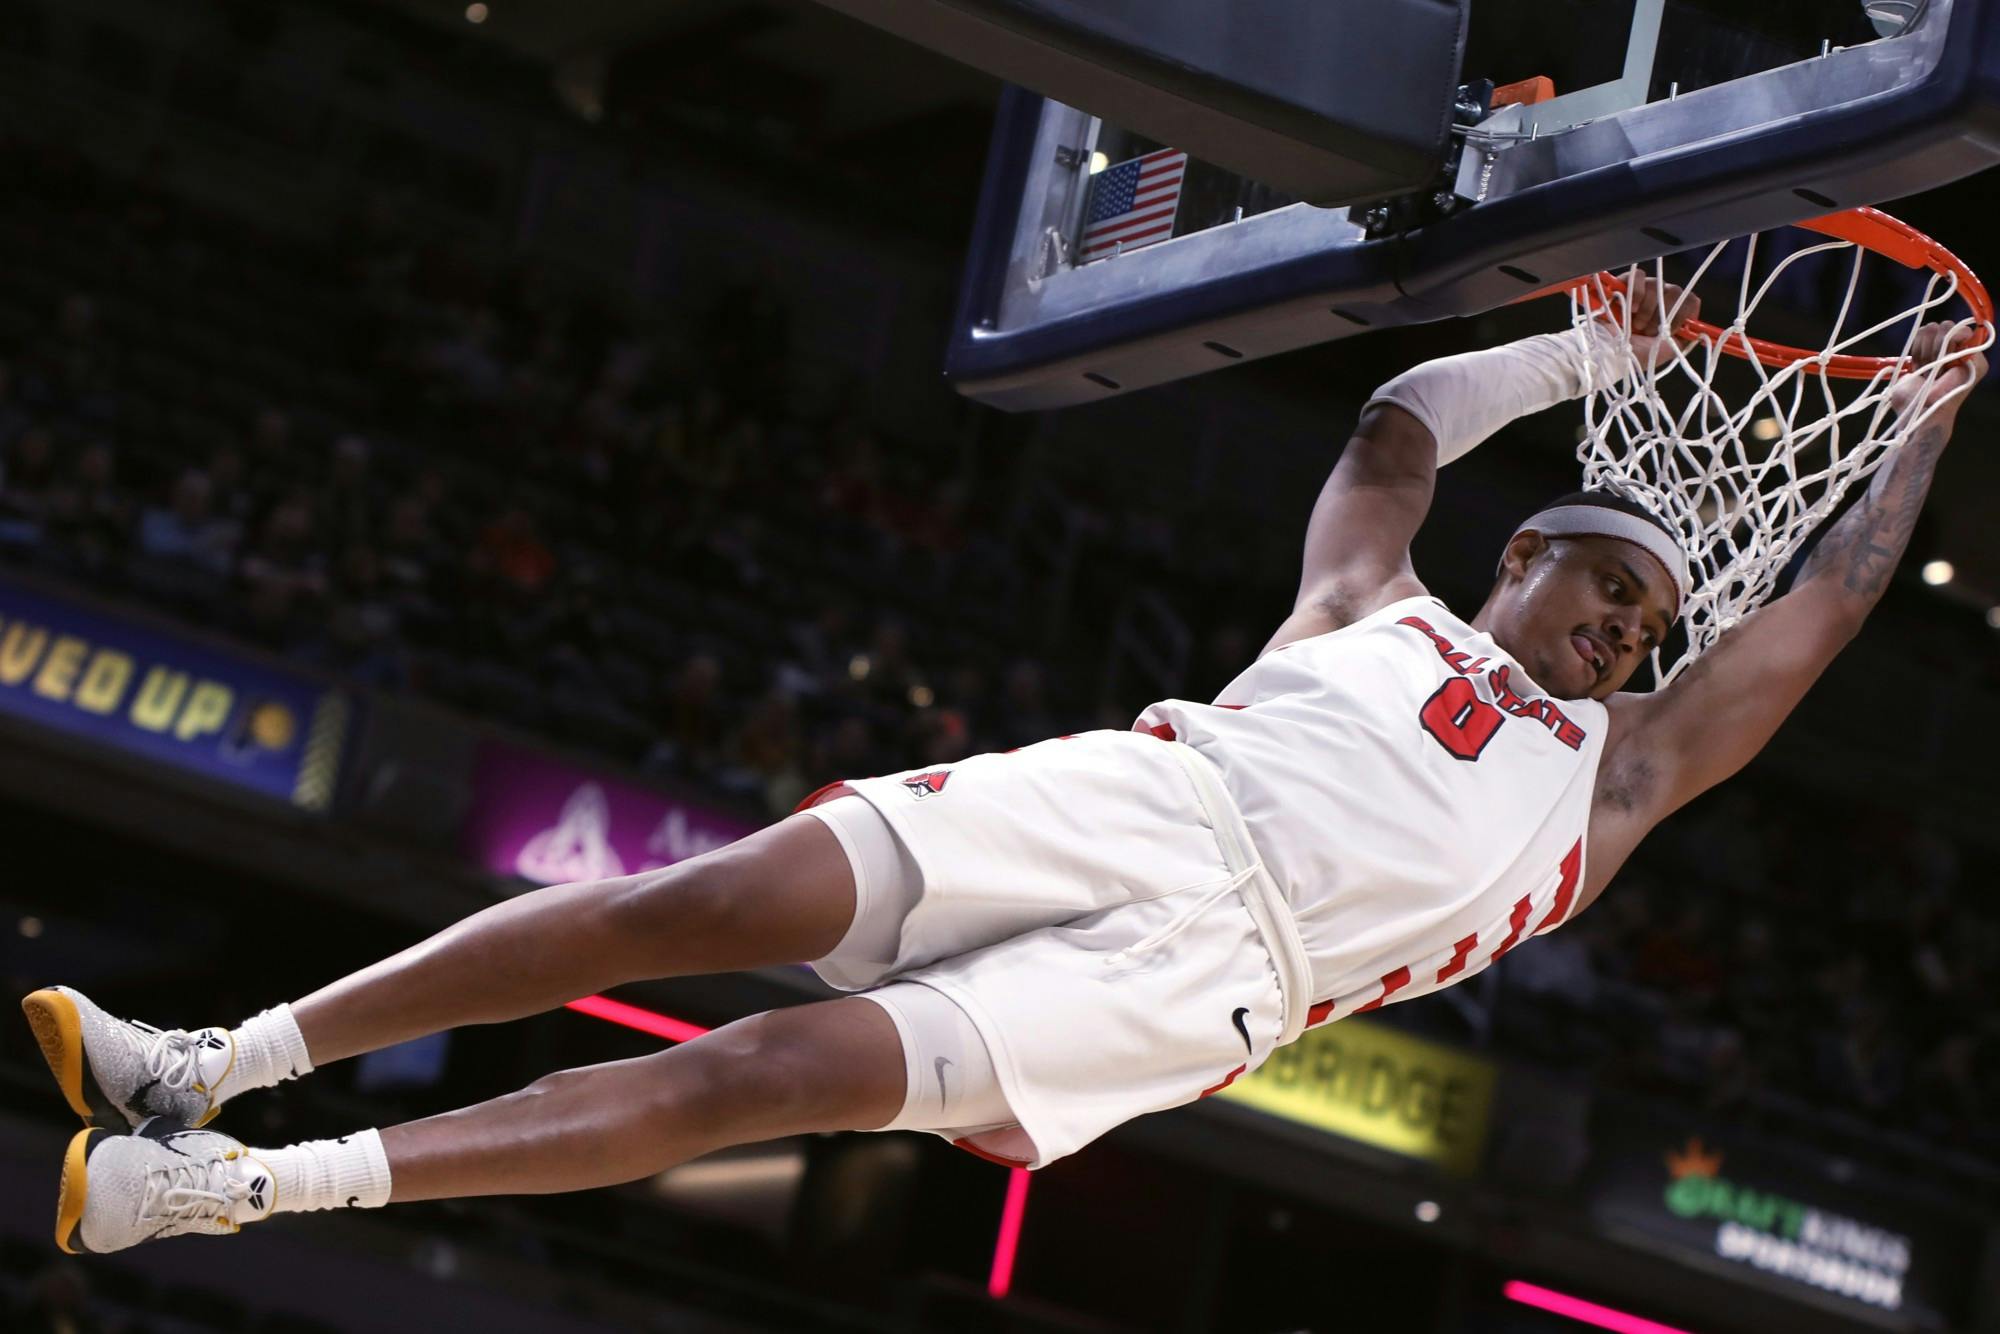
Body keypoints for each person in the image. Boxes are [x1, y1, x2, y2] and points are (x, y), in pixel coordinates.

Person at [23, 281, 1986, 1255]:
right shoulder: (1366, 597)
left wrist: (1922, 407)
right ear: (1527, 549)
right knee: (688, 902)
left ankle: (238, 1188)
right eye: (1604, 588)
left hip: (1218, 970)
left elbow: (1818, 603)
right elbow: (1394, 419)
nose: (1621, 631)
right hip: (1145, 787)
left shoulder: (1618, 779)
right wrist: (1584, 344)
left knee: (757, 1074)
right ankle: (213, 1056)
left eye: (1645, 627)